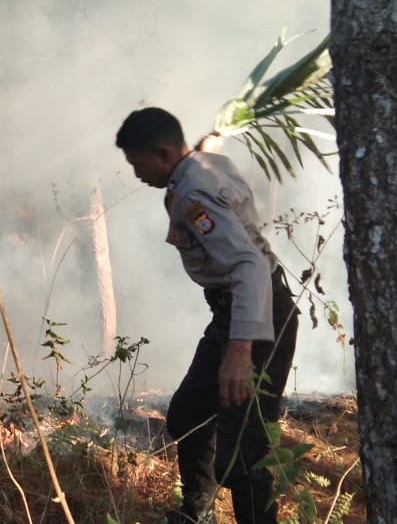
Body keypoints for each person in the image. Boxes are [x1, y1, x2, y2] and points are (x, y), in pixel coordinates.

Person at [114, 107, 298, 524]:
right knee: (188, 416)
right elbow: (200, 161)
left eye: (135, 162)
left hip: (257, 313)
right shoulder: (200, 166)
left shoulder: (194, 193)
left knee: (243, 450)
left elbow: (249, 265)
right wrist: (202, 148)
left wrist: (239, 350)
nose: (135, 173)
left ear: (162, 153)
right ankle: (197, 515)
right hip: (230, 312)